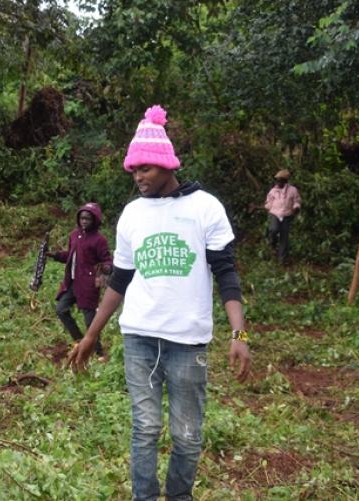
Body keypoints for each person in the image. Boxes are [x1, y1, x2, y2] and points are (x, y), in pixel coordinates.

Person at [69, 105, 251, 501]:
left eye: (146, 169)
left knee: (187, 434)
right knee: (145, 428)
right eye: (134, 171)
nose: (138, 178)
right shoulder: (133, 214)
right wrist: (90, 335)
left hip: (188, 343)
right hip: (139, 339)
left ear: (167, 166)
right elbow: (119, 281)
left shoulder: (206, 208)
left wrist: (239, 333)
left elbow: (227, 274)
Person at [50, 202, 112, 358]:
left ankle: (98, 353)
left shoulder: (99, 240)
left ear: (95, 220)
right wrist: (54, 255)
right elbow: (70, 256)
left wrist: (106, 269)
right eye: (82, 218)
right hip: (71, 282)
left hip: (87, 285)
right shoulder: (74, 235)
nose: (84, 221)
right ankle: (79, 341)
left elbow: (107, 260)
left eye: (88, 219)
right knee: (61, 309)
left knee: (90, 321)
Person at [264, 169, 301, 265]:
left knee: (284, 238)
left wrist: (296, 207)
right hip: (274, 214)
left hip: (287, 215)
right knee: (274, 229)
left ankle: (282, 260)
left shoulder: (293, 190)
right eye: (277, 180)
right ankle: (272, 244)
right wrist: (266, 207)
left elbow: (296, 201)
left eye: (280, 180)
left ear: (285, 181)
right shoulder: (273, 191)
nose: (278, 182)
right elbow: (269, 202)